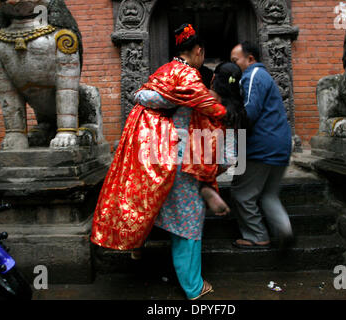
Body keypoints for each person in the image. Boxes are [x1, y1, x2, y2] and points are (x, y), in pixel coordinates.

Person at [91, 23, 230, 300]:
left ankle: (137, 245)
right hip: (182, 159)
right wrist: (225, 111)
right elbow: (211, 108)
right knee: (188, 221)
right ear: (199, 51)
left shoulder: (162, 72)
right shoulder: (188, 75)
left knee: (152, 202)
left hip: (153, 154)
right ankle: (193, 286)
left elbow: (144, 96)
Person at [230, 41, 294, 249]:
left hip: (261, 146)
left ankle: (257, 235)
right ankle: (284, 230)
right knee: (268, 194)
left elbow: (250, 111)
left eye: (235, 60)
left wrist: (225, 117)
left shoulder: (253, 75)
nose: (234, 66)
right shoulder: (265, 77)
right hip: (280, 145)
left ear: (250, 59)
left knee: (242, 193)